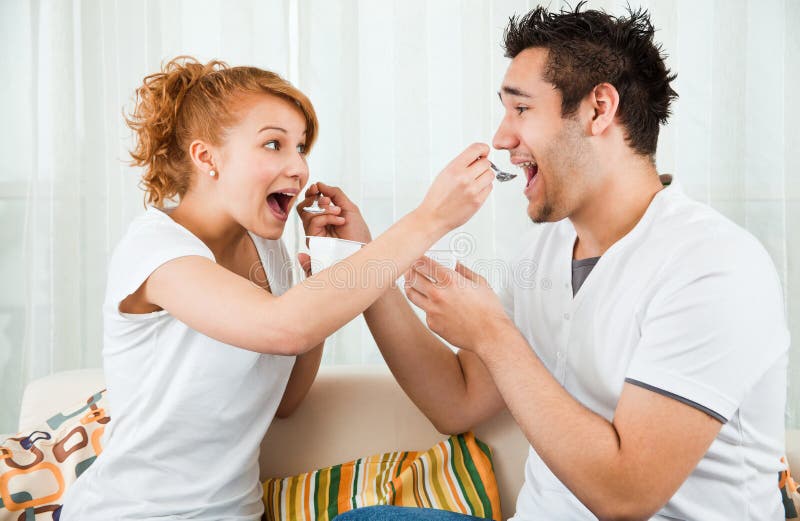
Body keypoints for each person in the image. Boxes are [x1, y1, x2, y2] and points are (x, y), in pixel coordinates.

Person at [306, 4, 790, 521]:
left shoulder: (714, 265)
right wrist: (366, 264)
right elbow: (458, 402)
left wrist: (491, 332)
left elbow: (626, 496)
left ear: (599, 109)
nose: (500, 138)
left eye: (521, 110)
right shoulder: (547, 248)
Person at [59, 56, 494, 520]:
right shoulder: (156, 249)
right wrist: (431, 219)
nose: (298, 167)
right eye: (274, 144)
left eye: (301, 148)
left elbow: (286, 398)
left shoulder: (266, 250)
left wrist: (325, 270)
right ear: (207, 158)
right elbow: (286, 328)